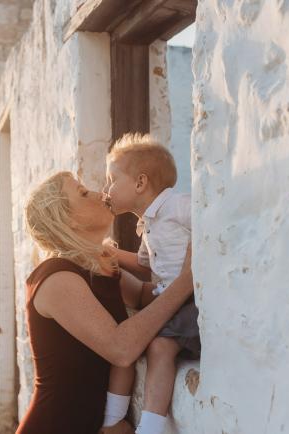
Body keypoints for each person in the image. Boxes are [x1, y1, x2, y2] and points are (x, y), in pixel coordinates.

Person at [16, 171, 194, 434]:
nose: (101, 194)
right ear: (68, 220)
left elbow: (147, 295)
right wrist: (188, 279)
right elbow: (121, 348)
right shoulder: (56, 277)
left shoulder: (98, 266)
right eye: (83, 193)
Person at [102, 133, 201, 434]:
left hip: (189, 302)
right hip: (167, 301)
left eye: (112, 180)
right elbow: (146, 263)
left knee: (159, 347)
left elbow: (206, 218)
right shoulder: (148, 224)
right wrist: (112, 254)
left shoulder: (178, 205)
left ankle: (150, 428)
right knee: (130, 343)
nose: (106, 189)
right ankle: (111, 419)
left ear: (140, 183)